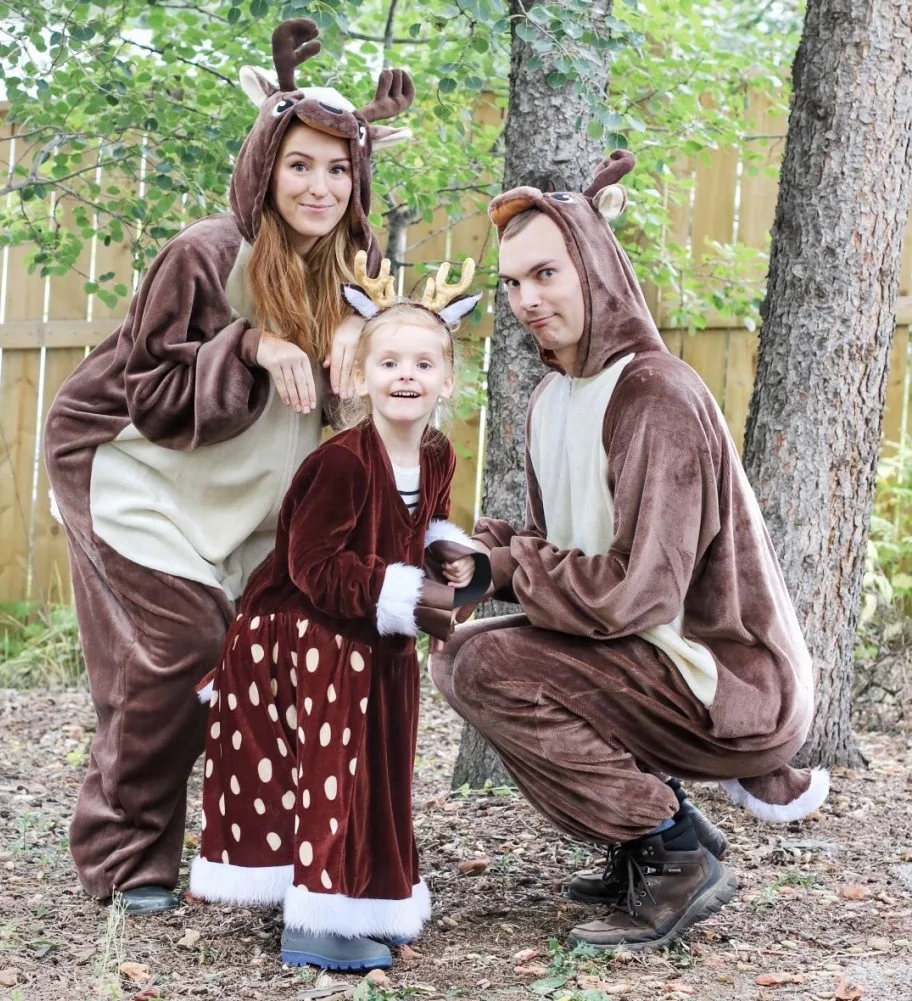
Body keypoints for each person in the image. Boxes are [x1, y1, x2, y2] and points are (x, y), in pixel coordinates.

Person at [42, 18, 415, 915]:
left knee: (266, 656)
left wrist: (360, 350)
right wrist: (247, 344)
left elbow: (384, 395)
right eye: (299, 165)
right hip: (133, 474)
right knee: (177, 653)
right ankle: (125, 854)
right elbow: (150, 390)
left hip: (249, 496)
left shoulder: (356, 270)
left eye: (337, 168)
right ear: (264, 167)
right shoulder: (206, 253)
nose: (319, 186)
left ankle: (269, 843)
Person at [430, 150, 829, 952]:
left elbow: (638, 593)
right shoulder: (552, 397)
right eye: (512, 284)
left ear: (594, 266)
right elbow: (561, 549)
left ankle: (672, 849)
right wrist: (472, 552)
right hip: (647, 659)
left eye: (545, 273)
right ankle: (650, 840)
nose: (526, 300)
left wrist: (505, 570)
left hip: (728, 679)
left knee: (480, 666)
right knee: (459, 652)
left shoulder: (655, 394)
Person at [188, 254, 482, 971]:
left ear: (446, 379)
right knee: (332, 768)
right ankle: (315, 919)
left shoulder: (437, 454)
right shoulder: (342, 461)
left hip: (369, 633)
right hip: (302, 630)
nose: (405, 375)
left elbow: (426, 524)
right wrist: (407, 595)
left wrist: (451, 559)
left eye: (422, 362)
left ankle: (363, 894)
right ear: (361, 376)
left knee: (379, 764)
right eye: (388, 362)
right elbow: (311, 567)